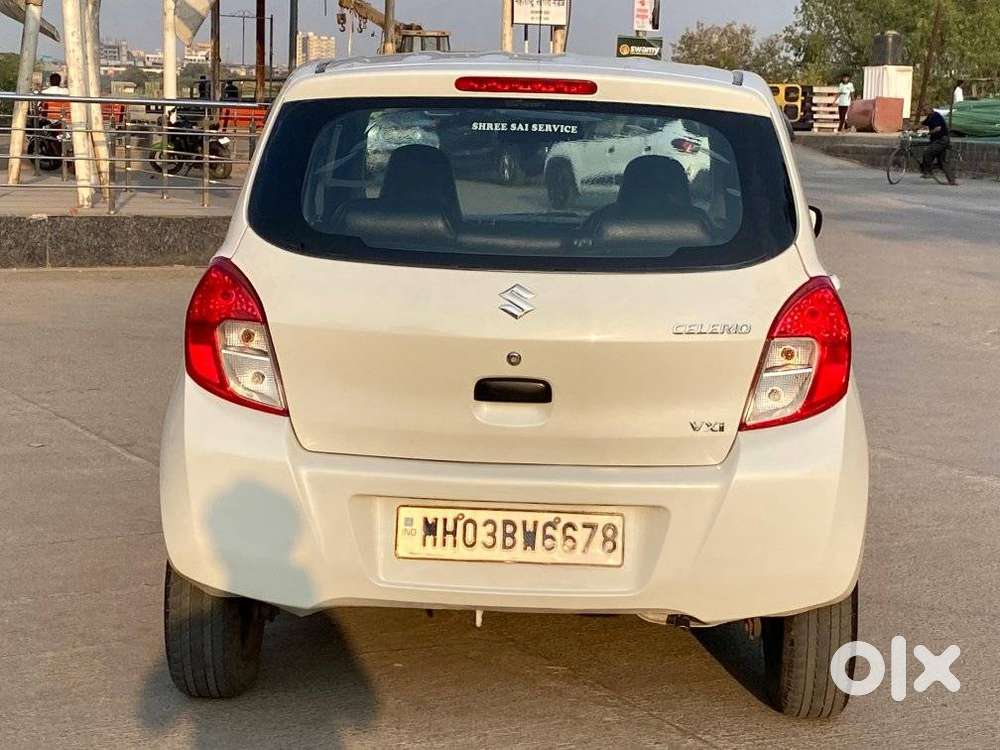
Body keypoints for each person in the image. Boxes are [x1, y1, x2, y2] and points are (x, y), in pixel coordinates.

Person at [920, 107, 958, 186]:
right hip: (937, 141)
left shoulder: (935, 116)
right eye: (923, 110)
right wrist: (911, 128)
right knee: (942, 162)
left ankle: (928, 171)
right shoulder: (929, 117)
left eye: (925, 110)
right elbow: (921, 124)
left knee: (928, 152)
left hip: (941, 140)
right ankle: (952, 180)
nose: (924, 112)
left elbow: (938, 128)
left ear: (930, 110)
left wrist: (928, 133)